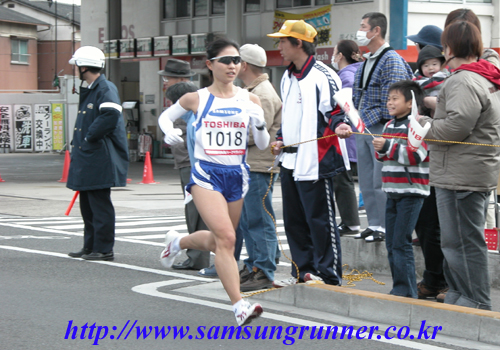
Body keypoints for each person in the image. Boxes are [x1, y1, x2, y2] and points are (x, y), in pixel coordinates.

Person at [158, 38, 270, 325]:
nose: (233, 66)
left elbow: (262, 142)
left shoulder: (250, 99)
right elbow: (166, 117)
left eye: (236, 61)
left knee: (223, 241)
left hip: (237, 174)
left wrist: (259, 124)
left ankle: (178, 241)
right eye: (226, 60)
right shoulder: (197, 98)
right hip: (206, 174)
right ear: (210, 65)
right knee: (228, 239)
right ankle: (239, 305)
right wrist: (169, 132)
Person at [417, 21, 500, 310]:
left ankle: (475, 301)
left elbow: (456, 127)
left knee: (461, 242)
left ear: (450, 48)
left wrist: (424, 125)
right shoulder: (485, 76)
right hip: (468, 169)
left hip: (461, 173)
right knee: (459, 241)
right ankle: (462, 296)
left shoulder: (463, 79)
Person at [266, 20, 344, 287]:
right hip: (290, 158)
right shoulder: (287, 76)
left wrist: (341, 124)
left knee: (320, 220)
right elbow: (288, 116)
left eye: (283, 42)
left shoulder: (324, 74)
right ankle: (303, 271)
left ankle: (328, 274)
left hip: (316, 158)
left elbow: (336, 110)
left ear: (298, 43)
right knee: (294, 219)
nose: (279, 47)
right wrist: (279, 139)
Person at [336, 12, 413, 243]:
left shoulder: (391, 59)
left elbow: (396, 98)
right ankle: (374, 224)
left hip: (381, 127)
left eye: (363, 26)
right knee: (368, 181)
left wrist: (368, 117)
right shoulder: (368, 59)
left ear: (376, 30)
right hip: (363, 126)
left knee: (381, 181)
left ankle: (385, 226)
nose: (360, 31)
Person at [66, 46, 129, 261]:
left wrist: (89, 137)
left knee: (99, 204)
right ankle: (90, 246)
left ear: (84, 67)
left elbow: (110, 115)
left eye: (76, 66)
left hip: (100, 156)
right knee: (88, 204)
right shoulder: (94, 88)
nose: (75, 69)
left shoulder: (105, 87)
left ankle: (103, 249)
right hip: (91, 157)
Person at [373, 80, 430, 298]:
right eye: (389, 98)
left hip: (412, 191)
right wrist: (380, 149)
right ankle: (400, 286)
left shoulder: (417, 125)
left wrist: (387, 147)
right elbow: (384, 157)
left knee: (401, 242)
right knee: (391, 243)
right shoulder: (388, 126)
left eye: (395, 98)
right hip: (392, 190)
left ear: (410, 102)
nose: (390, 102)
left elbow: (416, 156)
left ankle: (406, 290)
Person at [233, 43, 282, 292]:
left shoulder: (261, 93)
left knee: (258, 219)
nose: (232, 66)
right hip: (252, 164)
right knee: (249, 219)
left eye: (235, 61)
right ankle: (255, 265)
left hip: (258, 165)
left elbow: (255, 132)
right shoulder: (254, 89)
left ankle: (264, 268)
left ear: (245, 65)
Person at [158, 59, 210, 272]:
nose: (165, 82)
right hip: (186, 162)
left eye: (167, 78)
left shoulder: (189, 100)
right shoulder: (185, 98)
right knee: (195, 211)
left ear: (180, 79)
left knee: (196, 211)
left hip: (192, 163)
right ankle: (197, 256)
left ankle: (197, 257)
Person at [331, 39, 363, 235]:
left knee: (342, 179)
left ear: (340, 56)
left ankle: (351, 223)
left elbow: (347, 101)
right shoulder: (360, 70)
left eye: (335, 53)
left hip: (348, 134)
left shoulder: (346, 75)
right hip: (358, 133)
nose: (334, 57)